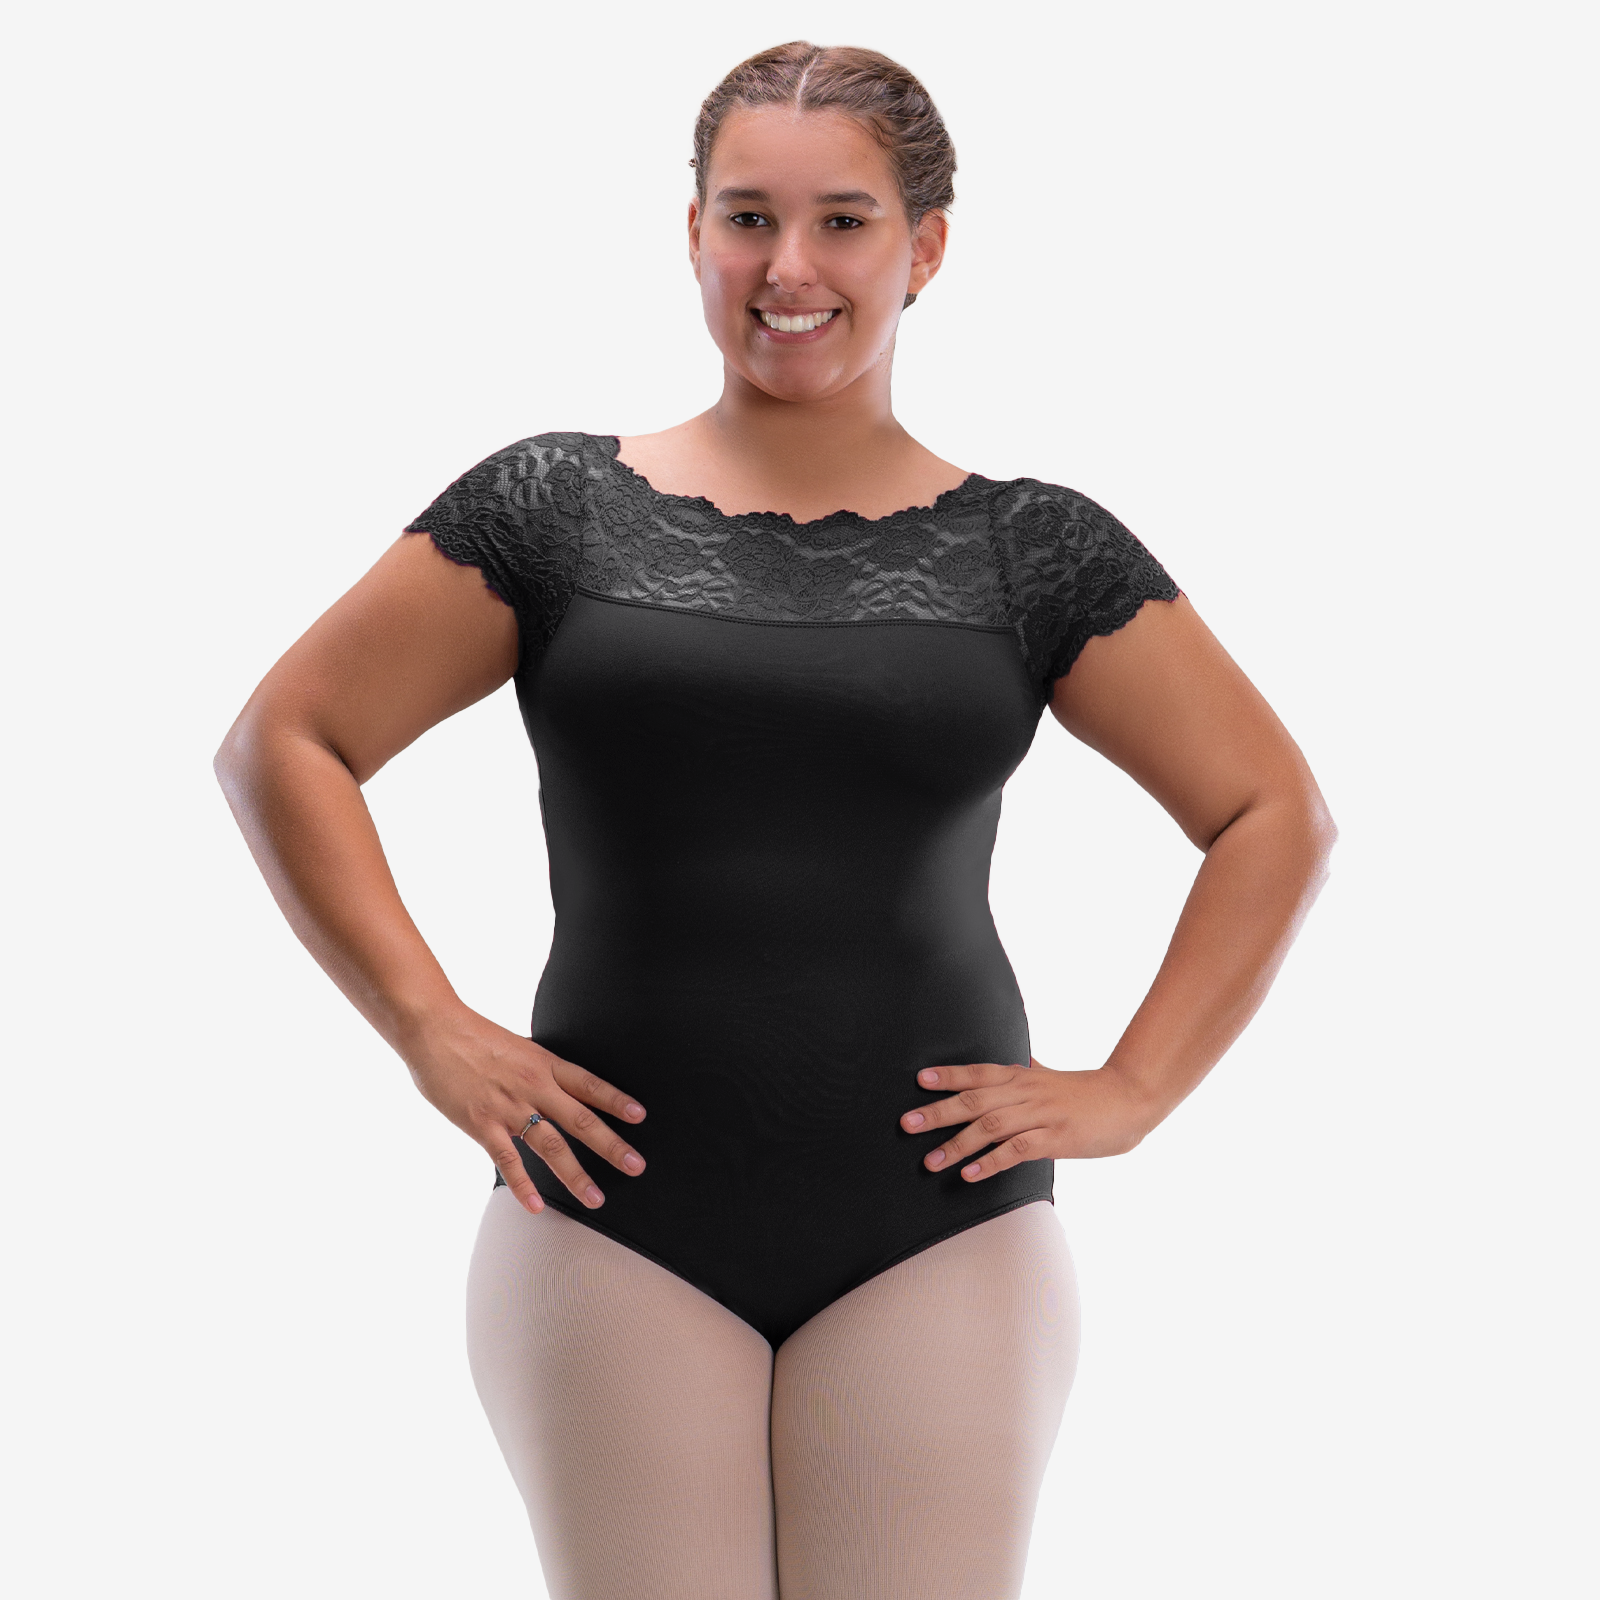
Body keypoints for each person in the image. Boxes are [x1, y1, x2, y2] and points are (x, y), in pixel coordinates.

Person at [214, 39, 1336, 1600]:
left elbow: (1272, 811)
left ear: (924, 248)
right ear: (694, 234)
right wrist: (428, 1027)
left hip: (938, 1226)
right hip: (608, 1218)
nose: (788, 267)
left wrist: (1136, 1089)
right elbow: (287, 740)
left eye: (843, 222)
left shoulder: (1032, 549)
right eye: (748, 218)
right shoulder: (554, 510)